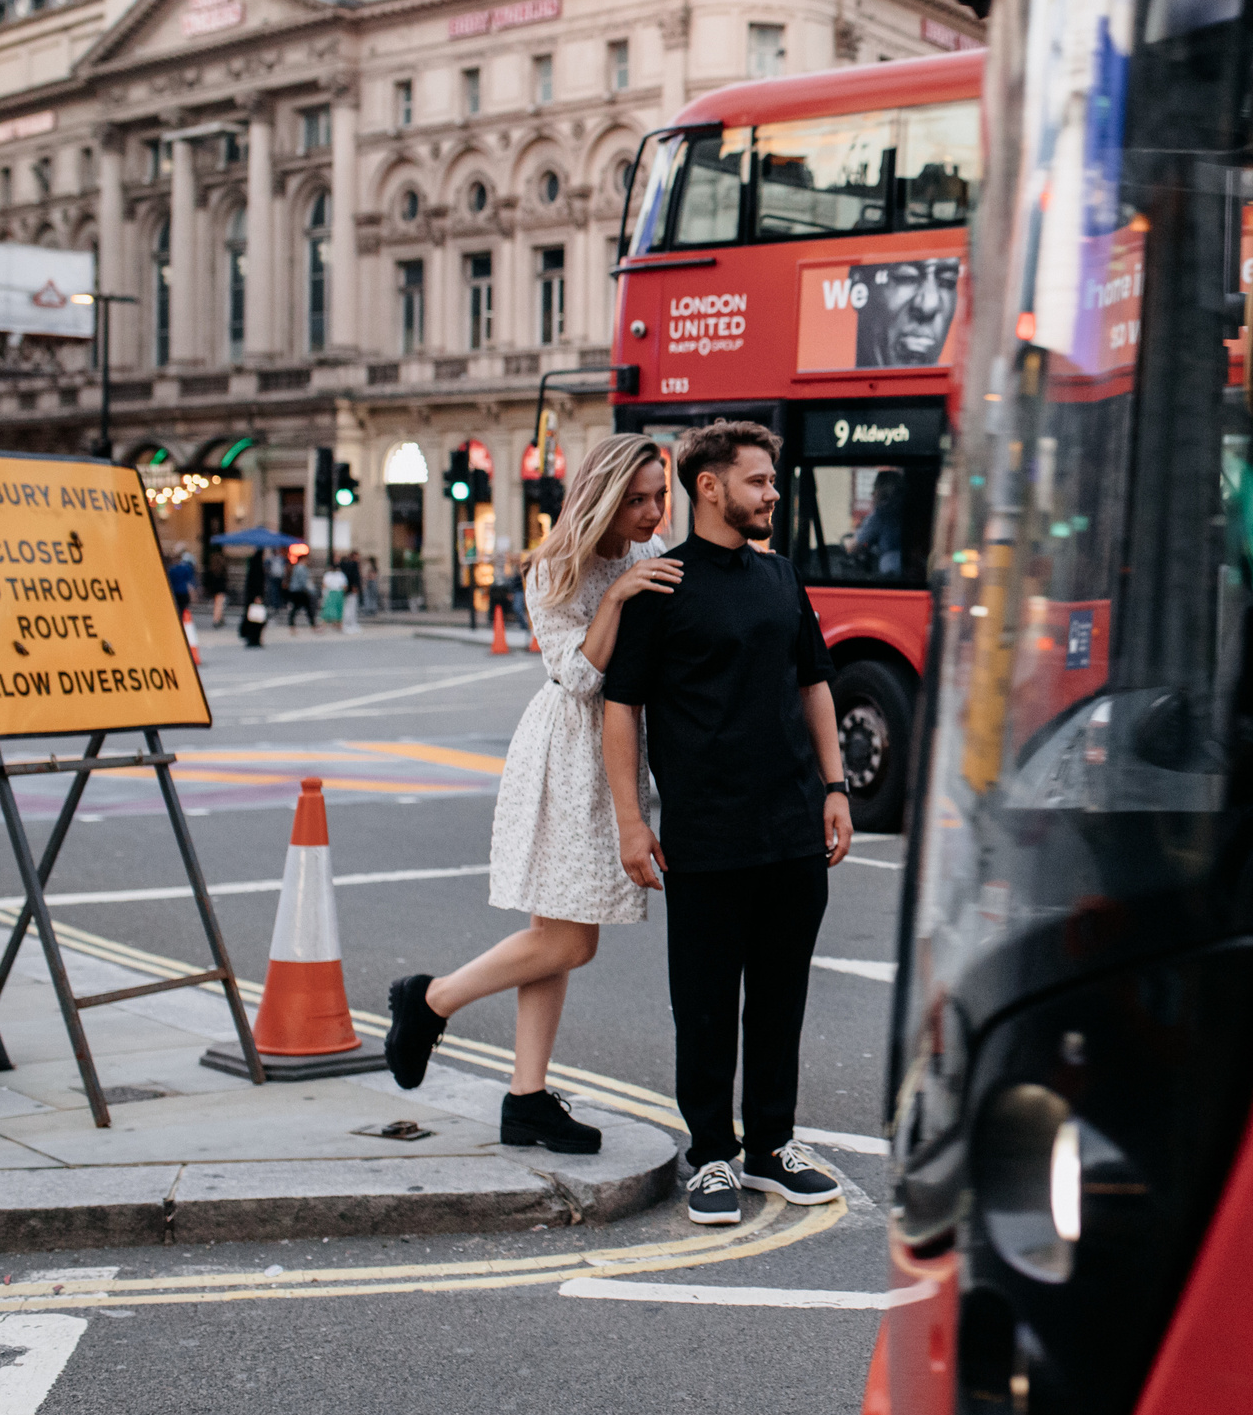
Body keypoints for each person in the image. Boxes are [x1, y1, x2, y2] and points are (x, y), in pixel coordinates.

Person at [382, 435, 684, 1154]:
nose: (649, 512)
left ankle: (525, 1098)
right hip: (567, 754)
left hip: (621, 751)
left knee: (559, 934)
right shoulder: (554, 565)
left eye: (657, 495)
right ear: (603, 496)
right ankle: (430, 999)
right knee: (570, 939)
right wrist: (614, 598)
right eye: (635, 499)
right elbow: (578, 678)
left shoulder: (654, 551)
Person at [601, 419, 852, 1223]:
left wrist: (837, 786)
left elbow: (814, 682)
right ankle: (711, 1153)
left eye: (772, 481)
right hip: (705, 833)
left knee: (781, 995)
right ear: (708, 486)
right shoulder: (662, 584)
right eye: (759, 481)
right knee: (706, 1002)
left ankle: (772, 1144)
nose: (772, 493)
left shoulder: (782, 575)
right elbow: (620, 709)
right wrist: (631, 822)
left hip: (791, 826)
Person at [843, 469, 906, 576]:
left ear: (883, 491)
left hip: (891, 573)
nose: (872, 493)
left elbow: (855, 547)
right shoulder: (907, 511)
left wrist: (847, 543)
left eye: (875, 488)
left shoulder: (881, 514)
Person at [239, 549, 269, 649]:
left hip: (251, 596)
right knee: (256, 619)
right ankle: (254, 639)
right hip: (255, 596)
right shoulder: (258, 567)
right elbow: (257, 583)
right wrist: (258, 596)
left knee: (253, 617)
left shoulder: (253, 564)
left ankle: (252, 638)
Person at [285, 554, 316, 629]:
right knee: (305, 607)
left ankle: (292, 624)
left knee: (299, 607)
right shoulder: (301, 568)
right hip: (300, 591)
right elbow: (303, 581)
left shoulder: (297, 567)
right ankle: (312, 624)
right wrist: (310, 590)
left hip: (297, 590)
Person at [165, 547, 197, 619]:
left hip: (174, 591)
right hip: (183, 591)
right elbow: (190, 582)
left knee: (175, 608)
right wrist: (193, 594)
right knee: (183, 608)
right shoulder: (186, 568)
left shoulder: (171, 569)